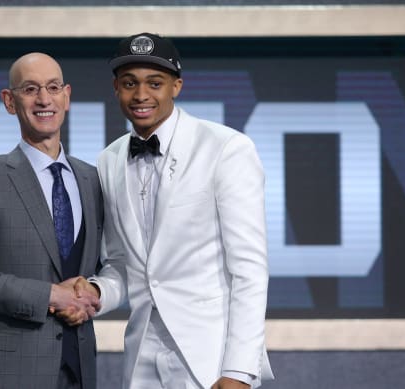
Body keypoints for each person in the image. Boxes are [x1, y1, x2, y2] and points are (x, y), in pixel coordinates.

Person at [78, 33, 274, 388]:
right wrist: (96, 292)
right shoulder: (109, 160)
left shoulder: (226, 148)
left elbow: (249, 268)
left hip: (210, 360)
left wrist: (239, 370)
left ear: (177, 86)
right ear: (115, 88)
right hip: (142, 360)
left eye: (155, 83)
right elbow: (123, 264)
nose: (141, 95)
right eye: (129, 84)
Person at [0, 52, 103, 389]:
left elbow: (107, 267)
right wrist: (51, 295)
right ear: (9, 101)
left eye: (53, 87)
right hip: (7, 373)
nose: (44, 99)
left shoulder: (93, 180)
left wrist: (92, 291)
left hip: (79, 369)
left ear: (67, 96)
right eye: (30, 89)